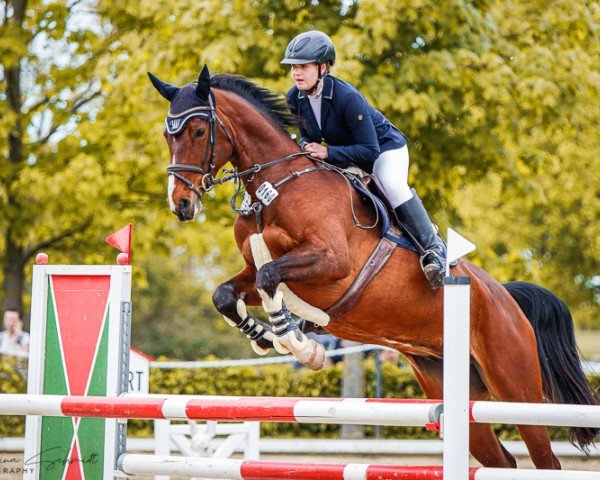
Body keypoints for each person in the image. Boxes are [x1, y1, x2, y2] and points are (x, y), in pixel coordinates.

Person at [282, 30, 445, 289]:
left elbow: (369, 150)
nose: (296, 73)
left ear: (323, 67)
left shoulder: (347, 97)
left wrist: (327, 153)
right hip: (346, 155)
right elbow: (308, 137)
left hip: (384, 150)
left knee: (391, 184)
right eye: (293, 67)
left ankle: (433, 251)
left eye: (303, 66)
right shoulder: (294, 97)